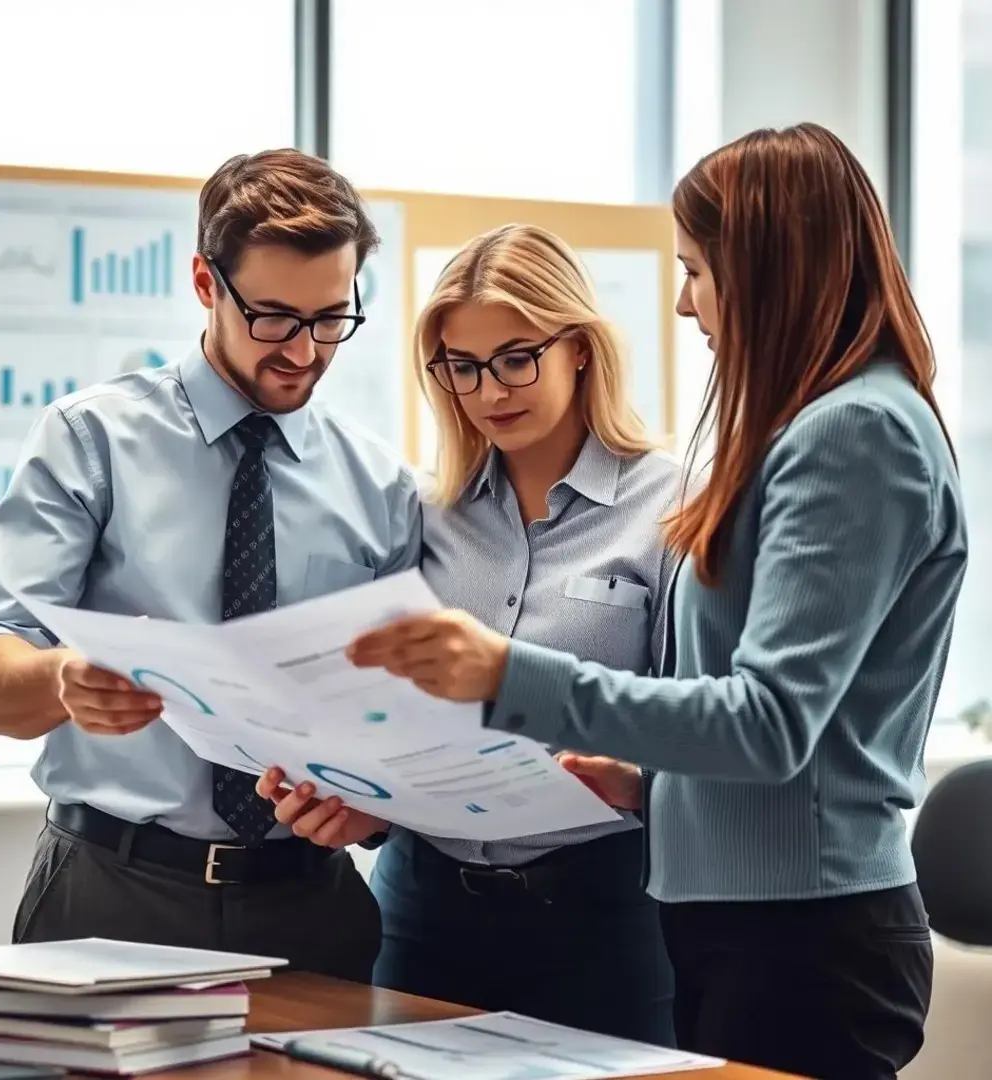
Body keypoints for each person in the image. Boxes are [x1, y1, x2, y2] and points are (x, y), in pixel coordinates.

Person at [341, 124, 969, 1078]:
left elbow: (769, 721)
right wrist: (647, 789)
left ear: (769, 267)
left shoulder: (853, 434)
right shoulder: (822, 425)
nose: (684, 304)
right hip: (739, 919)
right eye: (460, 369)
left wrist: (508, 673)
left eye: (698, 271)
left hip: (797, 934)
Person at [0, 149, 420, 982]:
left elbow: (393, 720)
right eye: (273, 317)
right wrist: (65, 677)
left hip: (310, 910)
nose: (305, 353)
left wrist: (366, 808)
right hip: (110, 895)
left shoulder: (379, 485)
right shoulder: (90, 440)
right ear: (206, 283)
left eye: (330, 319)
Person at [258, 223, 680, 1044]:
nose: (491, 391)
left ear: (581, 349)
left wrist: (635, 777)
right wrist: (357, 807)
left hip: (606, 917)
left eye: (517, 357)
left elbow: (706, 724)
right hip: (426, 911)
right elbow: (384, 712)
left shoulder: (672, 510)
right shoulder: (423, 514)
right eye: (462, 367)